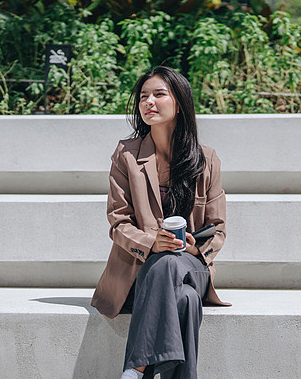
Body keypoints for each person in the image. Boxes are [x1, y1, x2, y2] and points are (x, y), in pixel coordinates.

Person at [91, 66, 229, 379]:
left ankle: (135, 368)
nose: (149, 102)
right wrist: (151, 242)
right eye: (143, 97)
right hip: (141, 272)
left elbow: (217, 228)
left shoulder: (206, 159)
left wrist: (195, 249)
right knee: (186, 300)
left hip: (190, 266)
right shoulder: (127, 154)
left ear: (179, 103)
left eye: (159, 94)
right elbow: (118, 221)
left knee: (170, 262)